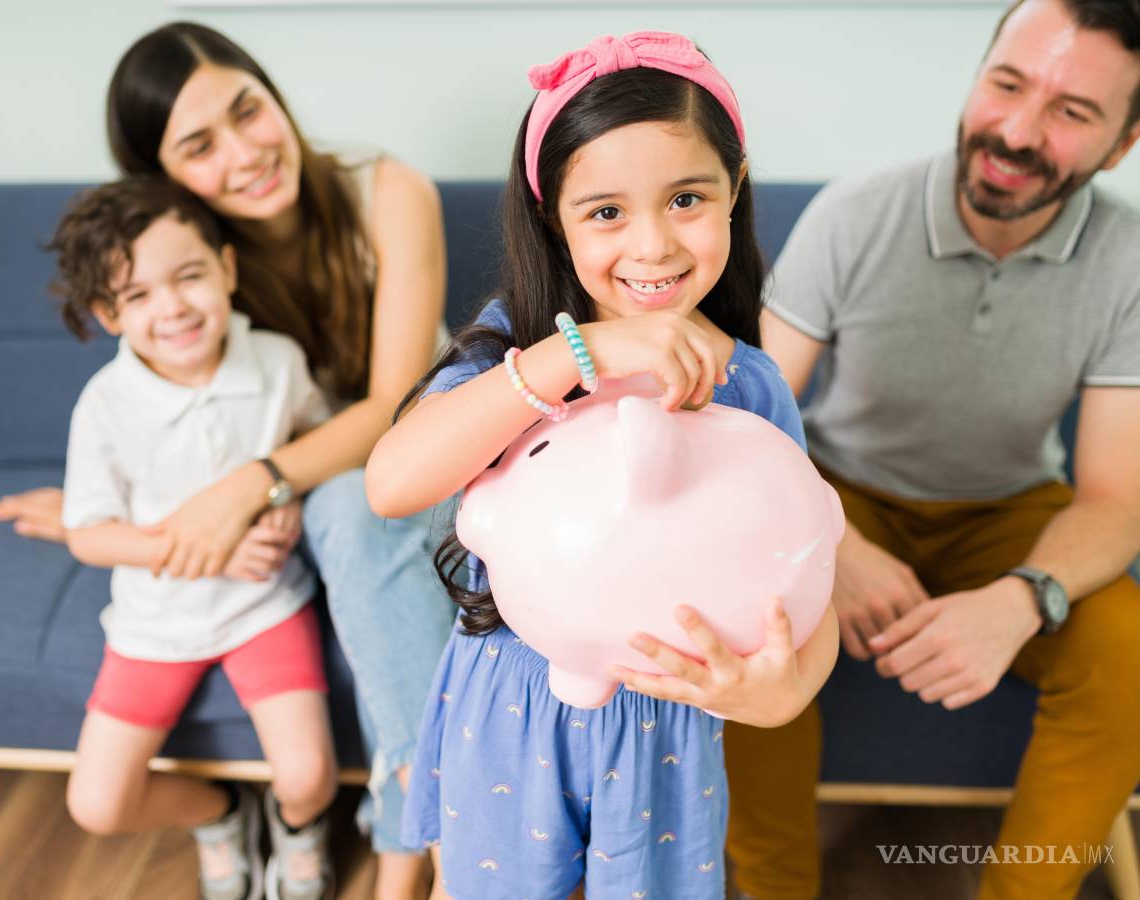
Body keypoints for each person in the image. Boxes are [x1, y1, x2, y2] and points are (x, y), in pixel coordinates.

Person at [365, 32, 840, 900]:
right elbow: (391, 485)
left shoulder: (749, 385)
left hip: (668, 728)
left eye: (687, 199)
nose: (652, 246)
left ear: (735, 190)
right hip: (506, 713)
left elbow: (809, 575)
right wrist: (580, 353)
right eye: (607, 212)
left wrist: (784, 691)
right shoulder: (513, 349)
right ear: (554, 217)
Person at [0, 22, 455, 897]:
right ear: (163, 179)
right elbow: (166, 422)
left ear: (272, 93)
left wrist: (254, 485)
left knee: (354, 509)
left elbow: (395, 410)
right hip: (308, 500)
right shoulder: (186, 271)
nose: (245, 154)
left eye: (248, 110)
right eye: (199, 146)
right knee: (342, 512)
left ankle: (411, 844)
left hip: (415, 463)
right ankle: (425, 830)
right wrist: (119, 520)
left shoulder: (388, 192)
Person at [728, 1, 1140, 898]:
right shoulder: (855, 213)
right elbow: (748, 432)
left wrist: (1024, 598)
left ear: (1121, 146)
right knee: (748, 607)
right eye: (1007, 85)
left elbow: (1115, 500)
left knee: (1126, 654)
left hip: (1010, 510)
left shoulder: (1128, 262)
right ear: (977, 77)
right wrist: (834, 544)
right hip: (838, 490)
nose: (1017, 132)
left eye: (1072, 112)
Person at [54, 176, 337, 900]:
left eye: (189, 277)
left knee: (309, 777)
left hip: (264, 609)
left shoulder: (275, 361)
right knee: (97, 805)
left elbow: (314, 444)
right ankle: (221, 813)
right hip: (155, 624)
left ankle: (296, 830)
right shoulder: (105, 405)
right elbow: (88, 534)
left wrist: (286, 496)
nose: (173, 306)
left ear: (227, 269)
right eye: (138, 294)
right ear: (108, 313)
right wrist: (206, 550)